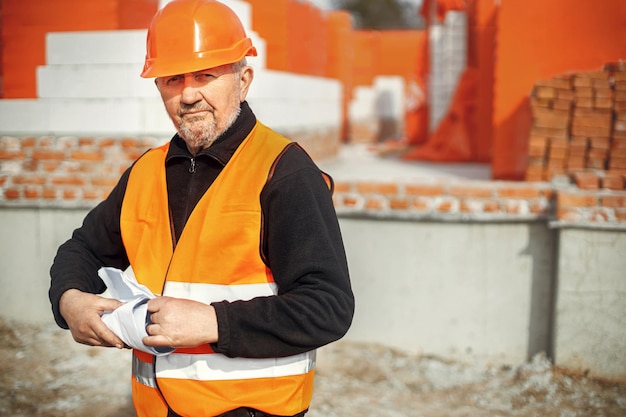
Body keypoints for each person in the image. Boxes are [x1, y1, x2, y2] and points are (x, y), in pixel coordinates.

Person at [48, 0, 355, 416]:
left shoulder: (284, 171)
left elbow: (328, 308)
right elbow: (83, 248)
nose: (188, 94)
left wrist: (213, 322)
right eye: (172, 78)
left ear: (243, 80)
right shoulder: (146, 172)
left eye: (206, 75)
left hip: (253, 410)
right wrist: (70, 300)